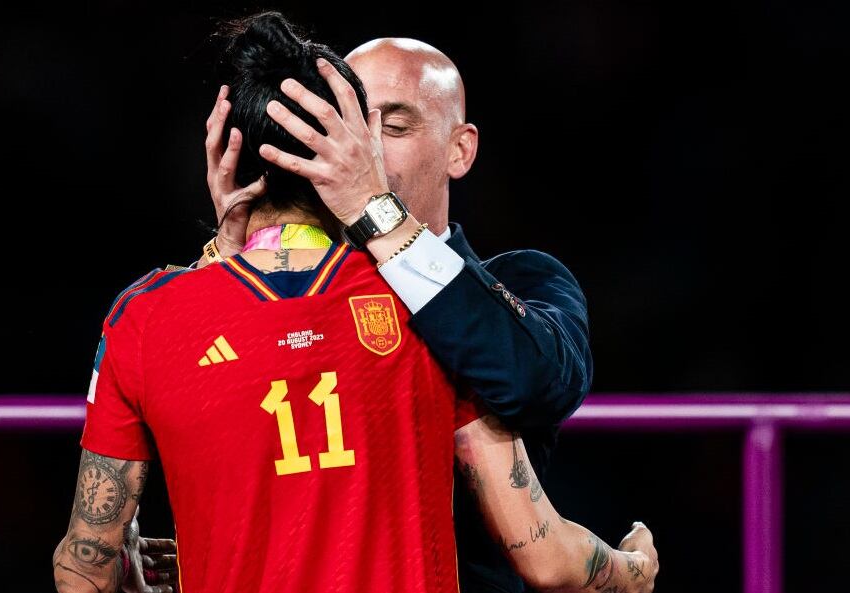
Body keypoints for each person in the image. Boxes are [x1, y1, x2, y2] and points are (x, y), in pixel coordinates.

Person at [54, 12, 656, 593]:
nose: (358, 150)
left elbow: (532, 381)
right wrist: (231, 253)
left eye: (391, 128)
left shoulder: (511, 285)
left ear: (460, 150)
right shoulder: (219, 302)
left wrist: (374, 215)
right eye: (340, 124)